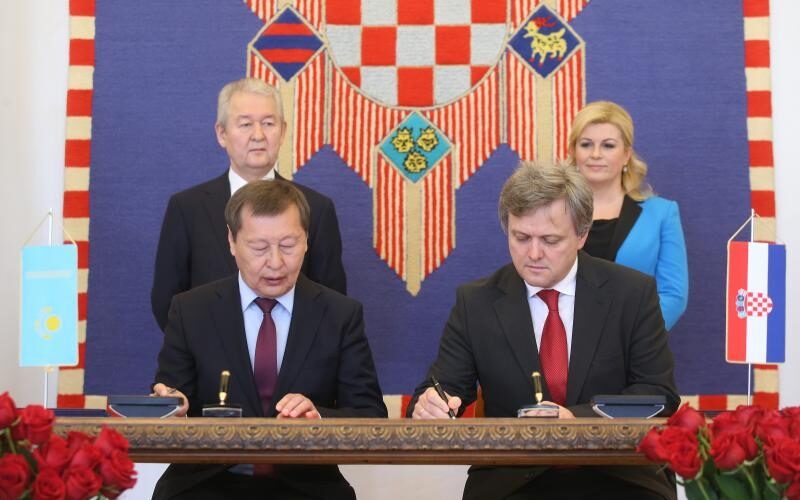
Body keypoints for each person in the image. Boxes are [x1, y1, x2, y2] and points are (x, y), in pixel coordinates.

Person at [408, 162, 680, 500]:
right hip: (513, 481)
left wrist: (575, 420)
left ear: (582, 235)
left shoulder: (631, 294)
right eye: (521, 238)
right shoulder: (476, 302)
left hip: (617, 474)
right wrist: (431, 404)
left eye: (550, 240)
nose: (533, 254)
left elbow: (658, 396)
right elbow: (443, 387)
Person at [152, 180, 386, 500]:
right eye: (259, 248)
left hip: (307, 487)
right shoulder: (191, 310)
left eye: (288, 245)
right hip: (205, 484)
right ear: (232, 241)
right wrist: (170, 406)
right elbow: (170, 399)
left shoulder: (340, 314)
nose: (275, 263)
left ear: (307, 240)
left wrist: (319, 418)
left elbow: (371, 416)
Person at [151, 77, 347, 331]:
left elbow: (331, 303)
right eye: (245, 124)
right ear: (222, 133)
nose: (258, 135)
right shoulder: (187, 208)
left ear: (283, 131)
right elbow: (167, 301)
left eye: (268, 123)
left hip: (295, 354)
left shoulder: (317, 208)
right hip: (208, 354)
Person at [567, 100, 688, 330]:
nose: (595, 154)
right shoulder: (553, 211)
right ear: (573, 152)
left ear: (626, 154)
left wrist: (631, 337)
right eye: (586, 144)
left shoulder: (662, 214)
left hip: (634, 344)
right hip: (562, 344)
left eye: (608, 145)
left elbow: (673, 295)